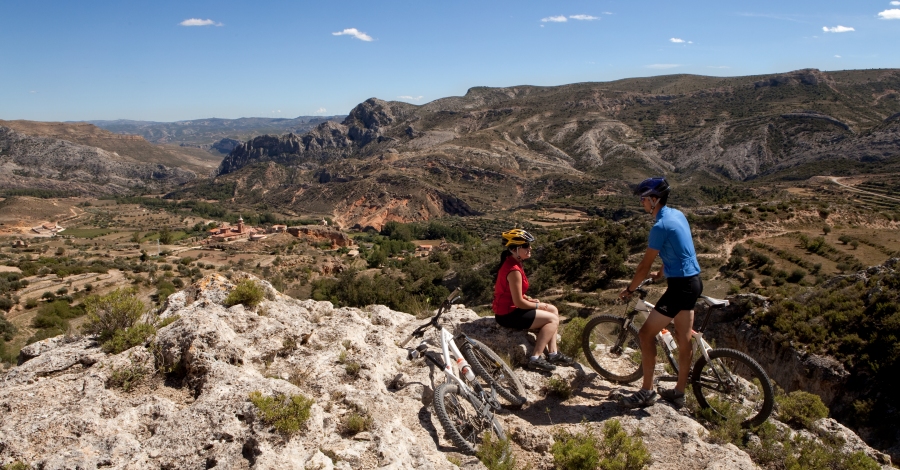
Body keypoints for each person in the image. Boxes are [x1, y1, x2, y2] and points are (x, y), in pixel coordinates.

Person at [618, 177, 702, 409]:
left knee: (645, 335)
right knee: (683, 339)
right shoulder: (677, 215)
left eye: (644, 199)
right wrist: (662, 271)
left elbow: (643, 266)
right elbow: (679, 247)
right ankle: (679, 392)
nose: (642, 203)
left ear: (654, 200)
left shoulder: (659, 226)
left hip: (680, 287)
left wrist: (630, 289)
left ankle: (647, 391)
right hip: (694, 282)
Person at [492, 228, 574, 371]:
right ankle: (535, 358)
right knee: (552, 319)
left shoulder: (512, 261)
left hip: (510, 309)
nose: (530, 248)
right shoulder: (514, 270)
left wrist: (527, 298)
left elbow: (509, 292)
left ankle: (553, 353)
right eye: (525, 246)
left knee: (553, 310)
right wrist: (537, 306)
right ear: (514, 249)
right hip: (507, 315)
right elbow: (518, 303)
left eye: (528, 245)